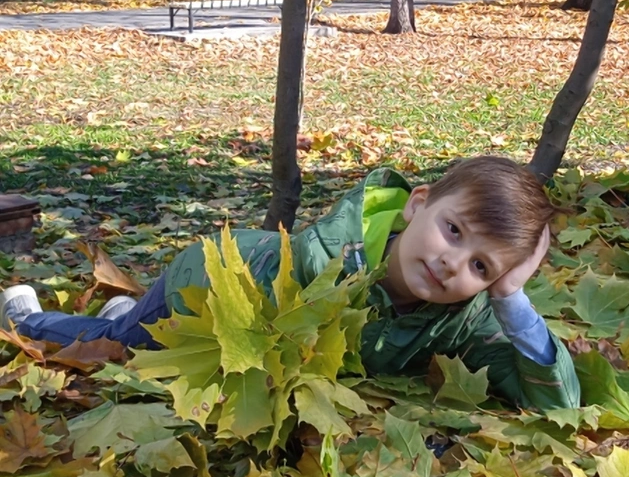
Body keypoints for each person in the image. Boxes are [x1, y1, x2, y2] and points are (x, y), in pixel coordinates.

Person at [0, 156, 580, 410]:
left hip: (233, 309)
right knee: (117, 346)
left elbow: (557, 401)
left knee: (121, 333)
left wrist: (511, 300)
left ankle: (123, 309)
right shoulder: (325, 259)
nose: (455, 264)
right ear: (417, 205)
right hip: (202, 289)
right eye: (453, 232)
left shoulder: (468, 318)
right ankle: (26, 320)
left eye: (483, 266)